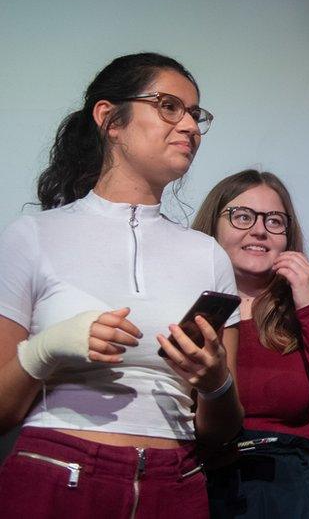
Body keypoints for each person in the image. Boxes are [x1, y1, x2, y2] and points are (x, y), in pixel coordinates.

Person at [0, 53, 243, 518]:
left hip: (176, 481)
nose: (190, 126)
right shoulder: (33, 235)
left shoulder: (207, 253)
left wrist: (215, 382)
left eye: (196, 114)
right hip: (56, 469)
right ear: (110, 119)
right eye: (170, 106)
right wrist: (45, 350)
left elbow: (222, 429)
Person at [193, 169, 309, 518]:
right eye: (242, 216)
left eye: (274, 221)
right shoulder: (187, 311)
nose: (259, 230)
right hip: (200, 487)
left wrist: (308, 304)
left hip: (291, 494)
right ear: (213, 225)